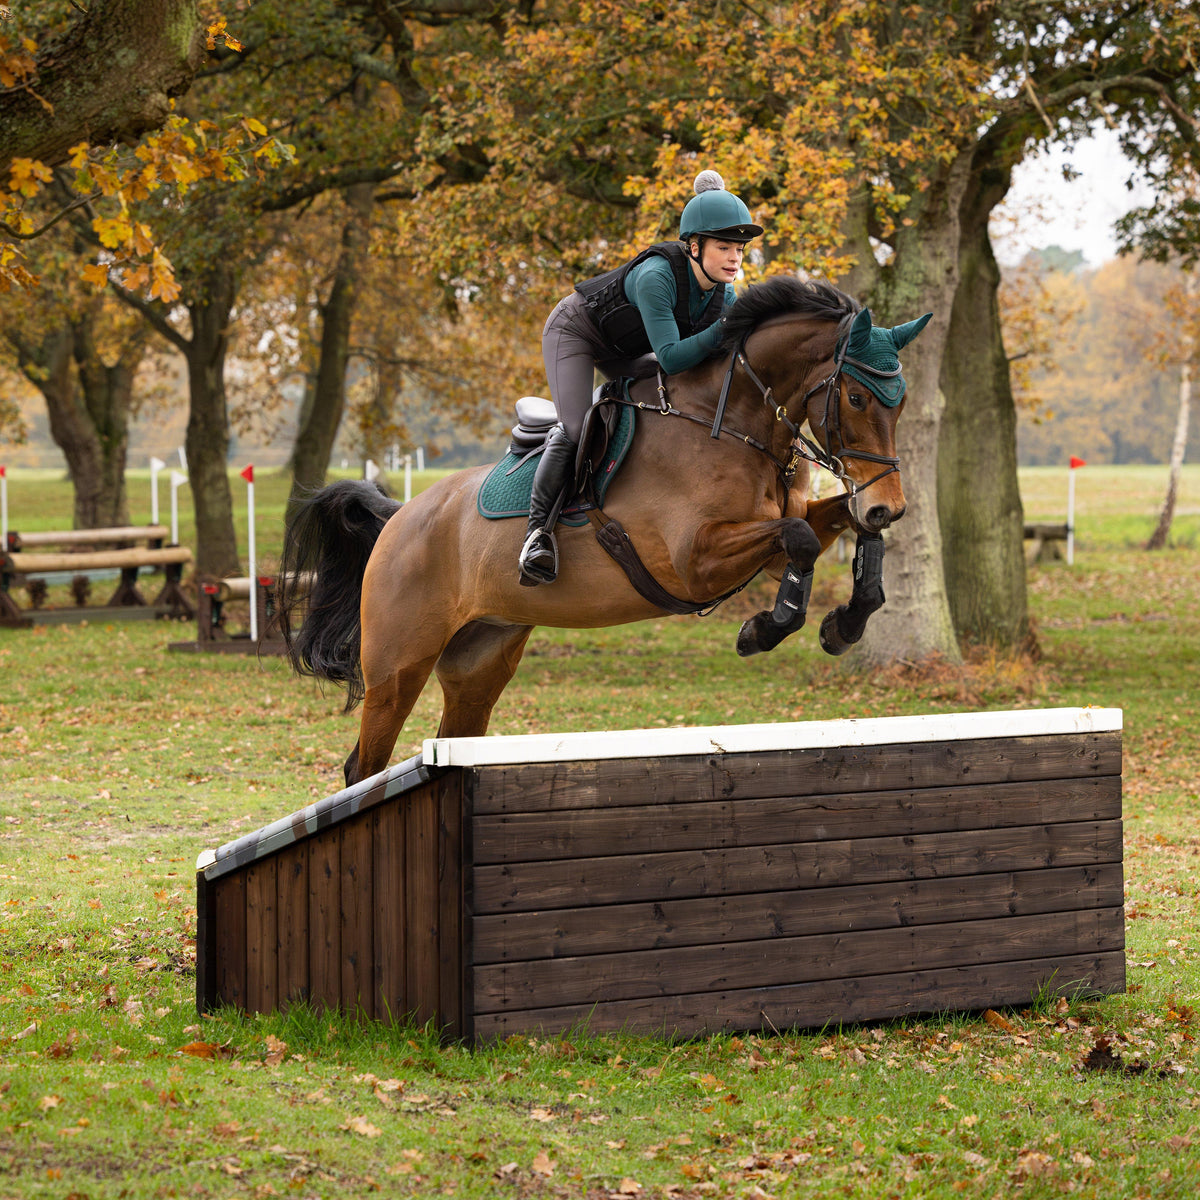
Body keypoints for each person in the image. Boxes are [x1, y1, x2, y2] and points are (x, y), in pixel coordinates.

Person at [517, 170, 764, 585]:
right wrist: (729, 328)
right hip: (577, 333)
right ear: (694, 245)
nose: (735, 258)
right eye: (724, 247)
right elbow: (670, 356)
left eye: (739, 249)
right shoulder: (657, 276)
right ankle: (537, 533)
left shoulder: (725, 295)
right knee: (577, 428)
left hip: (626, 351)